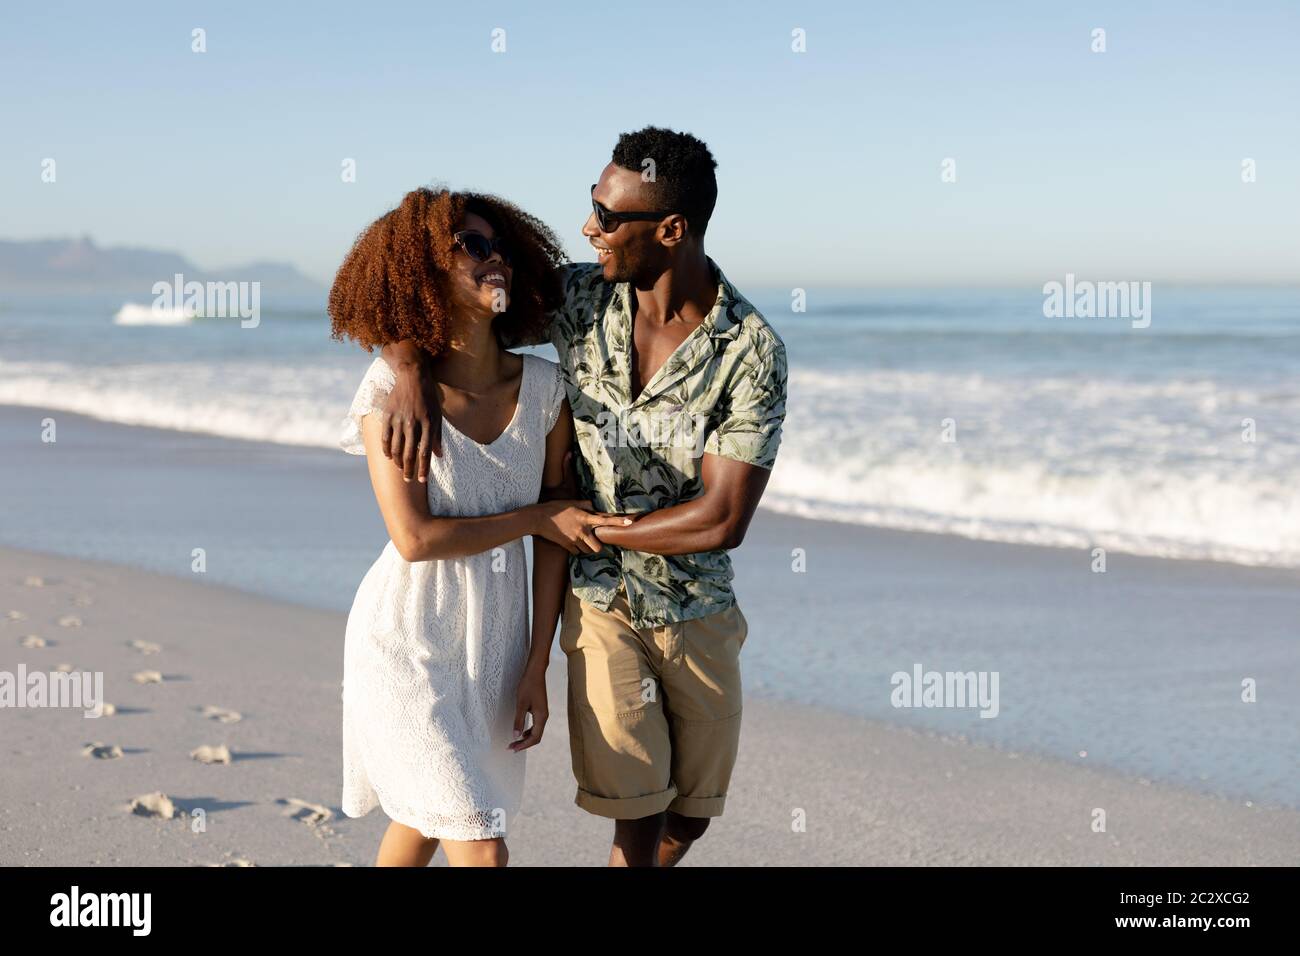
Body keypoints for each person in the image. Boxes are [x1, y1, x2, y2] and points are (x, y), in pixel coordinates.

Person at [380, 128, 788, 866]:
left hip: (700, 606)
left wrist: (584, 525)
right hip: (599, 601)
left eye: (606, 215)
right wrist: (407, 366)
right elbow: (437, 302)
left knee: (688, 817)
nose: (588, 228)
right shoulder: (577, 298)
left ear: (670, 230)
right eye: (590, 207)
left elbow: (723, 519)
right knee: (633, 812)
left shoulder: (750, 349)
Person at [330, 186, 630, 867]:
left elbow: (559, 537)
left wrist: (535, 663)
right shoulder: (392, 394)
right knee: (480, 842)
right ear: (421, 271)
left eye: (500, 247)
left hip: (495, 642)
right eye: (471, 246)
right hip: (405, 639)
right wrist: (536, 517)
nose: (494, 260)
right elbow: (415, 538)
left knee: (424, 821)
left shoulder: (548, 389)